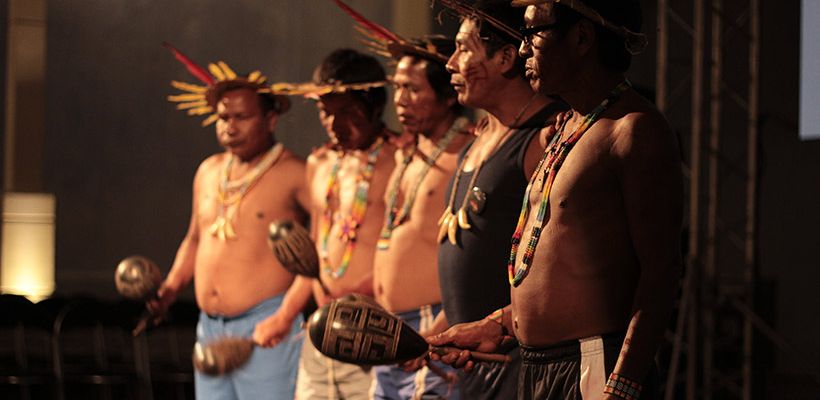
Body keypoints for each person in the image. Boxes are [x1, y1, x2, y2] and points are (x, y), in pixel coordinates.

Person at [429, 1, 683, 399]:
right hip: (536, 367)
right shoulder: (566, 128)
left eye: (533, 33)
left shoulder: (633, 131)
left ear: (581, 37)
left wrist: (623, 384)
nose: (524, 49)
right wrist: (498, 325)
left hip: (594, 366)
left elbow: (661, 272)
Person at [154, 51, 309, 400]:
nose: (230, 126)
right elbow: (194, 239)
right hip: (209, 327)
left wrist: (286, 315)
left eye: (242, 117)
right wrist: (170, 287)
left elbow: (325, 246)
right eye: (223, 117)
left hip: (268, 326)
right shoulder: (209, 170)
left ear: (270, 120)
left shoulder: (295, 173)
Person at [434, 1, 567, 398]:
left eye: (463, 49)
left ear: (507, 57)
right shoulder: (478, 139)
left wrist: (500, 325)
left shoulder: (545, 137)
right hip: (474, 364)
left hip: (519, 366)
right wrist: (437, 333)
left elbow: (561, 264)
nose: (450, 64)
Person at [369, 35, 474, 400]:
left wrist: (439, 332)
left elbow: (481, 258)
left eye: (413, 89)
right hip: (388, 328)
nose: (399, 100)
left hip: (433, 326)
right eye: (397, 88)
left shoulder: (469, 154)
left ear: (448, 94)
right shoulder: (405, 153)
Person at [293, 48, 398, 400]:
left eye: (348, 112)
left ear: (374, 106)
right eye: (326, 112)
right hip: (320, 328)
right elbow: (314, 244)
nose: (335, 124)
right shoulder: (319, 162)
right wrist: (285, 315)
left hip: (372, 330)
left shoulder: (401, 159)